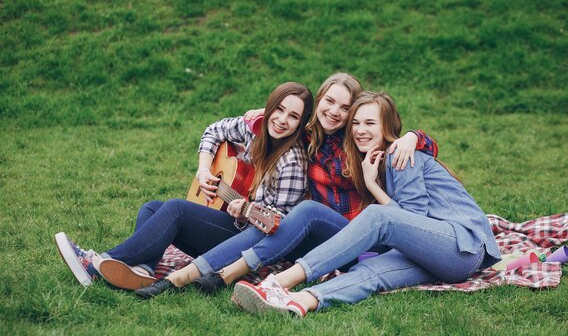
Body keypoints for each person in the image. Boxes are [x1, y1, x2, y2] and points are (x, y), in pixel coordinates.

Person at [135, 73, 438, 299]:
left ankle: (193, 276)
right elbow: (264, 124)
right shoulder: (307, 136)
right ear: (318, 102)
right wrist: (261, 115)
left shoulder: (359, 142)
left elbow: (406, 143)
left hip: (359, 237)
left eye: (344, 108)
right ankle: (143, 269)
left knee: (300, 213)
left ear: (353, 114)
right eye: (329, 102)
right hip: (316, 236)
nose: (334, 112)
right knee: (155, 208)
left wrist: (415, 136)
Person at [231, 91, 502, 317]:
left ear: (386, 127)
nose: (361, 130)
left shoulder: (401, 155)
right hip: (437, 257)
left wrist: (373, 186)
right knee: (370, 271)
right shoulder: (377, 161)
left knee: (377, 216)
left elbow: (411, 219)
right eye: (356, 123)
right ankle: (301, 301)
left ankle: (279, 282)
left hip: (463, 246)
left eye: (370, 123)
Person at [54, 81, 313, 291]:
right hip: (229, 222)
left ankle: (98, 261)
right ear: (269, 107)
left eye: (293, 116)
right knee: (152, 208)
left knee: (176, 210)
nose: (282, 119)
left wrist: (247, 210)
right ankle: (142, 270)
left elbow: (278, 226)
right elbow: (213, 131)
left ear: (300, 124)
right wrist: (203, 170)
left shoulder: (292, 162)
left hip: (245, 242)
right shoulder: (255, 129)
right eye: (279, 109)